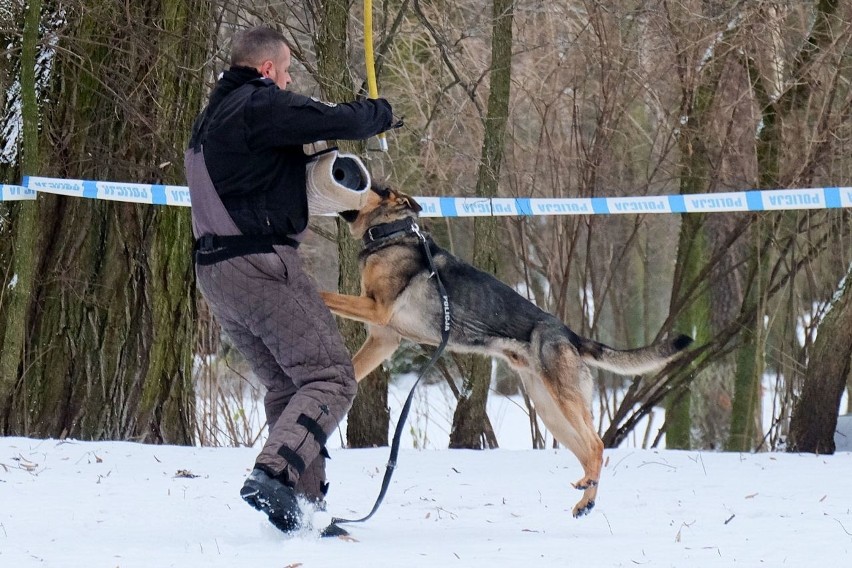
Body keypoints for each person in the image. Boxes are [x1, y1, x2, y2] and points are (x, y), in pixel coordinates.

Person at [185, 26, 398, 534]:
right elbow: (332, 118)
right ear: (265, 70)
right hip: (260, 265)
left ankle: (300, 513)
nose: (288, 80)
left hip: (217, 273)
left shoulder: (210, 119)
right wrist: (379, 113)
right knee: (331, 377)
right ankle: (274, 474)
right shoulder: (257, 104)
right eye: (285, 71)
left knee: (288, 383)